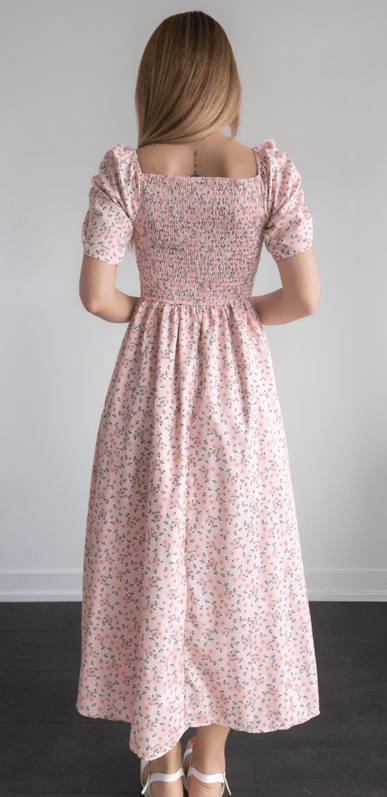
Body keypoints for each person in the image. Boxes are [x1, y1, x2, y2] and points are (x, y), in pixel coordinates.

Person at [76, 11, 321, 797]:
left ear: (156, 80)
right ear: (225, 78)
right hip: (236, 383)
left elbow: (96, 295)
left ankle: (158, 760)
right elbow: (304, 297)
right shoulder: (267, 168)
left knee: (151, 554)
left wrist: (160, 311)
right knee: (230, 562)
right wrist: (233, 315)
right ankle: (210, 767)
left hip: (150, 380)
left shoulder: (127, 167)